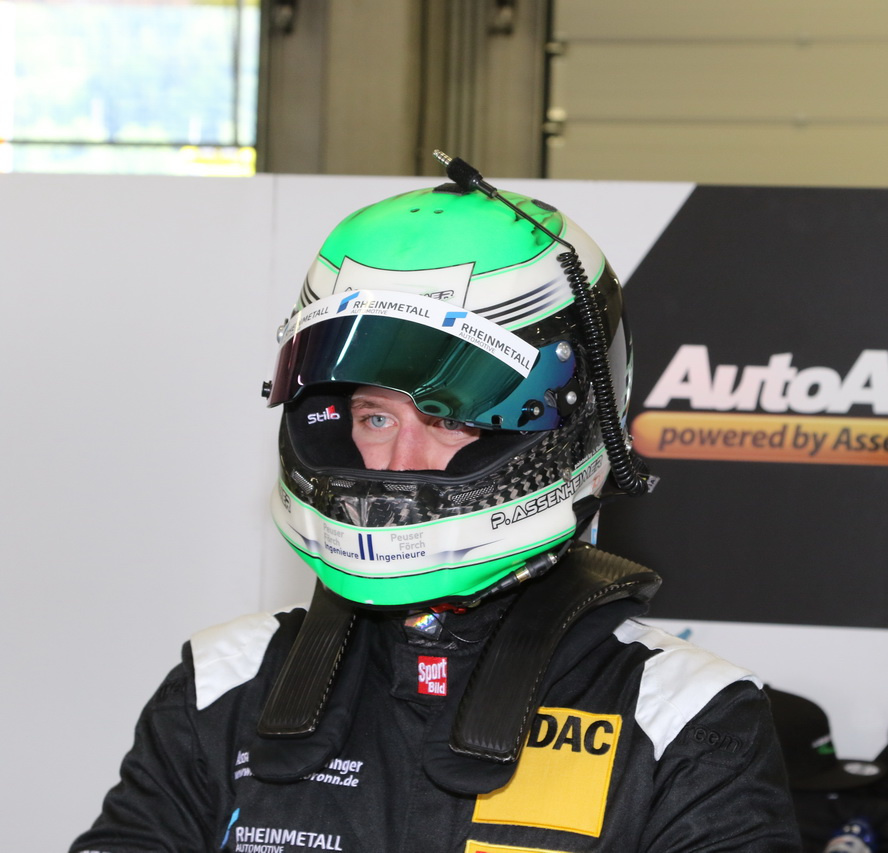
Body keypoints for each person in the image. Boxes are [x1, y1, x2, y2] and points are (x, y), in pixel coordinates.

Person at [72, 155, 801, 853]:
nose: (398, 462)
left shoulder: (680, 714)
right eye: (375, 417)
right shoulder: (224, 682)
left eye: (450, 418)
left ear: (562, 428)